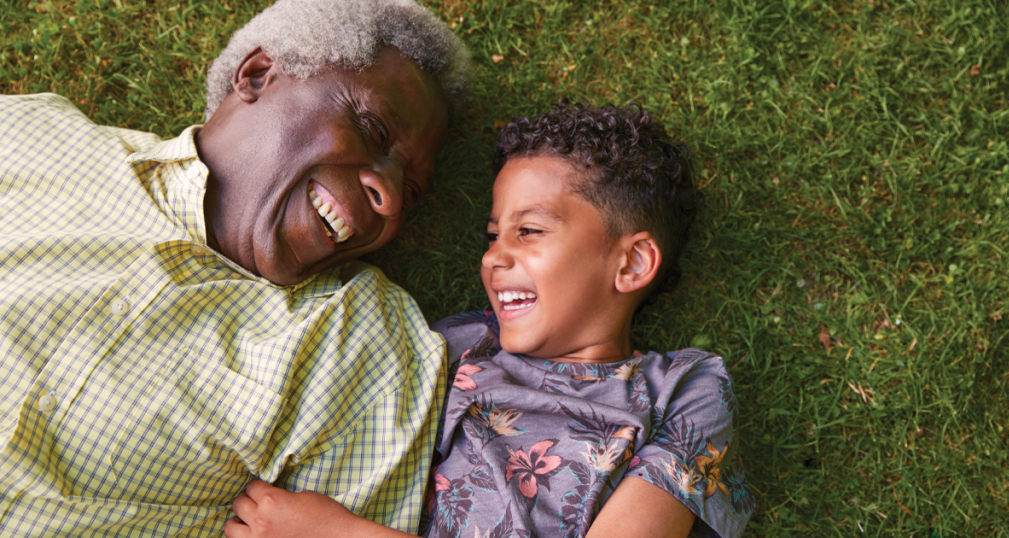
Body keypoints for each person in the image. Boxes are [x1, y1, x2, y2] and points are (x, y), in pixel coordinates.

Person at [0, 0, 470, 535]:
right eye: (372, 129)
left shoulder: (360, 348)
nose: (387, 197)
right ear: (257, 74)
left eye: (408, 190)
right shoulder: (28, 135)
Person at [226, 102, 755, 538]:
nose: (493, 257)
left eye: (529, 231)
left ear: (632, 263)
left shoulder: (686, 391)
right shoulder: (460, 344)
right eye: (492, 235)